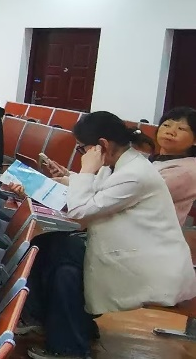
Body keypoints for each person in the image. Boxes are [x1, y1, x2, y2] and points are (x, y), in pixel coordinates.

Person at [14, 112, 196, 359]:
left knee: (55, 248)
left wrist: (86, 170)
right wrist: (75, 176)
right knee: (63, 267)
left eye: (83, 149)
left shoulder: (135, 173)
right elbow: (95, 193)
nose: (83, 154)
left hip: (143, 261)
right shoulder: (119, 164)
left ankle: (54, 332)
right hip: (122, 249)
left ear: (102, 145)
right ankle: (68, 339)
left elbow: (80, 210)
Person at [150, 107, 196, 225]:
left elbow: (135, 193)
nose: (170, 132)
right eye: (166, 125)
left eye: (181, 128)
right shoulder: (156, 159)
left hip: (153, 232)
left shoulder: (187, 171)